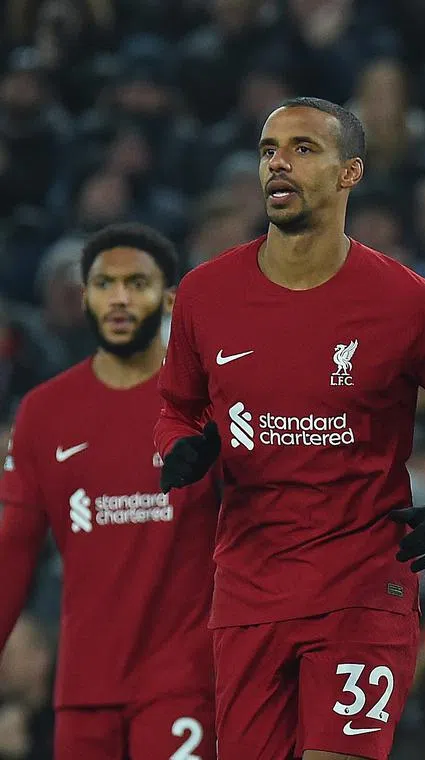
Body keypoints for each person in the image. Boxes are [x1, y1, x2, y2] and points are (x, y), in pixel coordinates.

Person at [153, 97, 425, 760]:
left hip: (362, 591)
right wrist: (181, 449)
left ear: (350, 174)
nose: (278, 162)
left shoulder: (412, 304)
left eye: (303, 148)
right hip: (248, 593)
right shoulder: (204, 294)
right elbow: (177, 408)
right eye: (268, 149)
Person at [0, 222, 218, 758]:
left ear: (168, 297)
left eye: (137, 283)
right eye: (103, 284)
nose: (119, 298)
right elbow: (12, 549)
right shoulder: (44, 412)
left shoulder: (208, 403)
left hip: (184, 682)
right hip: (82, 690)